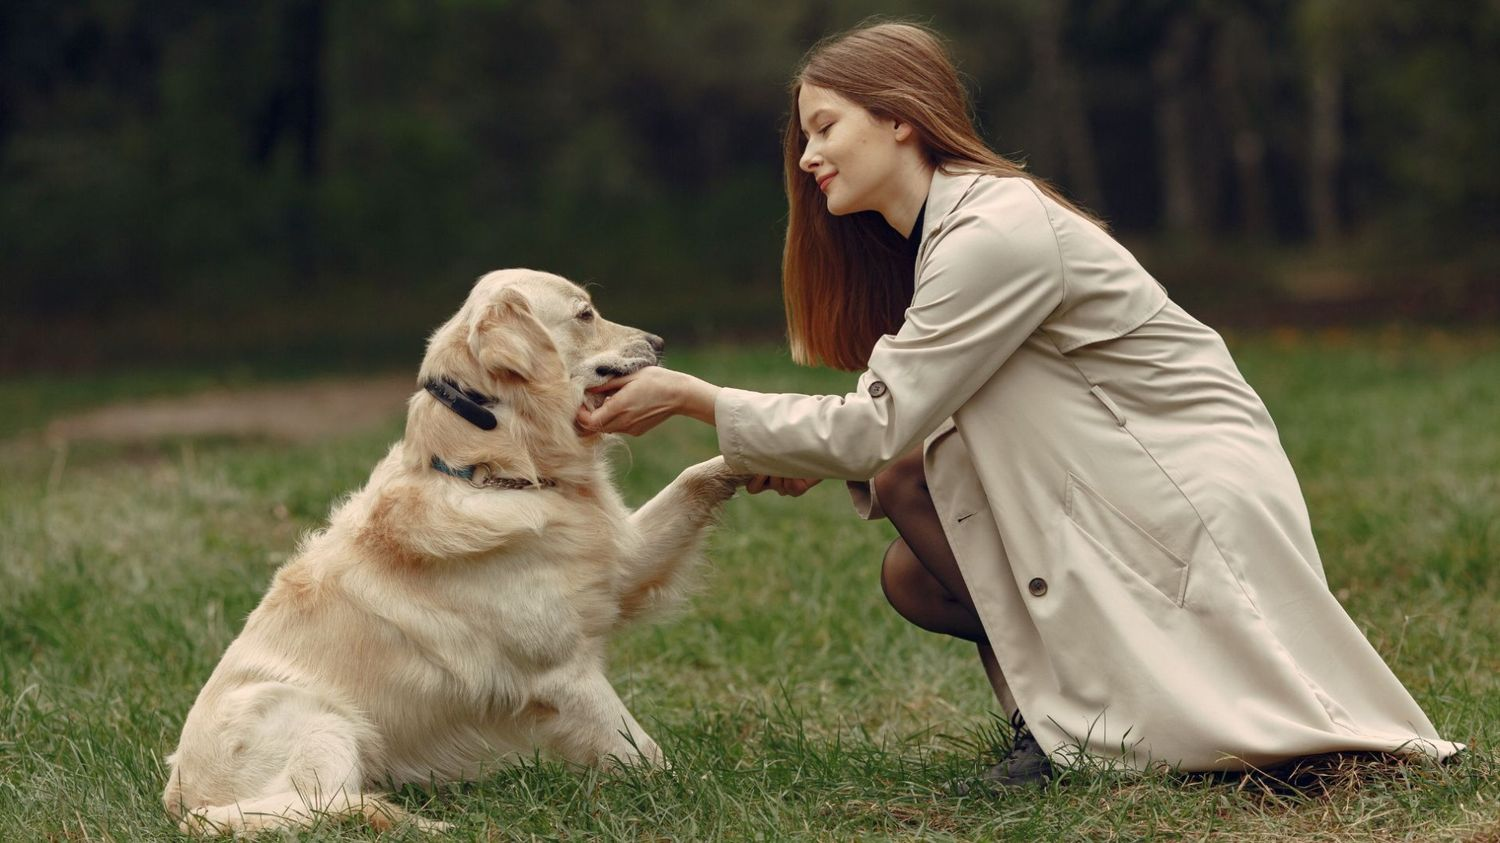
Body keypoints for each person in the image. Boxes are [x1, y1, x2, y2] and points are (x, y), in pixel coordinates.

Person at [576, 21, 1462, 785]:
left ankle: (1065, 728)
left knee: (901, 474)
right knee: (910, 569)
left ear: (898, 117)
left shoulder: (994, 232)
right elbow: (907, 416)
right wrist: (832, 454)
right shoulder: (941, 240)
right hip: (1110, 480)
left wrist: (696, 398)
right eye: (803, 137)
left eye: (824, 127)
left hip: (1182, 494)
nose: (807, 157)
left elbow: (877, 425)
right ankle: (1060, 718)